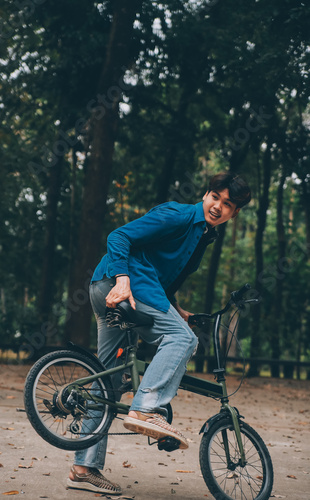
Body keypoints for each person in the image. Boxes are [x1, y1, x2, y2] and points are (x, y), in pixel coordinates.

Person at [67, 172, 251, 494]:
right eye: (215, 197)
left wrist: (177, 310)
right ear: (206, 194)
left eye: (227, 204)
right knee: (183, 339)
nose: (217, 206)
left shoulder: (203, 236)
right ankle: (146, 407)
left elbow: (159, 274)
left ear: (234, 213)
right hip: (123, 286)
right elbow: (119, 237)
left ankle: (83, 469)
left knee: (105, 381)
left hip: (107, 287)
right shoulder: (179, 215)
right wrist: (123, 280)